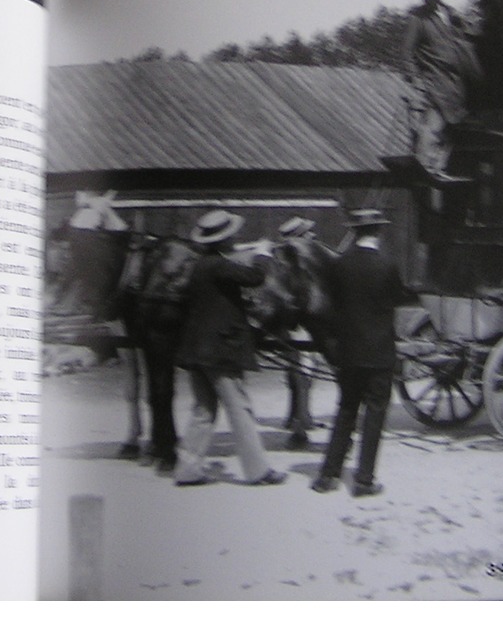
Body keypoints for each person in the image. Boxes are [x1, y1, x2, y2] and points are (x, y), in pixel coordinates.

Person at [172, 209, 287, 487]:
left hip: (196, 349)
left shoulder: (200, 265)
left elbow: (215, 302)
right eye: (231, 236)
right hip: (219, 350)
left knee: (204, 410)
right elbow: (255, 277)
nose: (235, 238)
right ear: (223, 240)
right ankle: (258, 470)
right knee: (239, 407)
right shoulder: (219, 265)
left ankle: (187, 469)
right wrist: (263, 254)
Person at [311, 208, 413, 497]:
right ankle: (364, 480)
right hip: (379, 352)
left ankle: (327, 476)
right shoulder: (387, 265)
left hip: (348, 352)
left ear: (355, 232)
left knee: (345, 411)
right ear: (379, 232)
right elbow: (396, 299)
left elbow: (333, 302)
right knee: (374, 415)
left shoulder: (339, 265)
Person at [403, 0, 481, 180]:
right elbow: (407, 50)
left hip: (457, 79)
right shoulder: (417, 18)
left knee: (453, 125)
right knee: (434, 123)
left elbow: (467, 33)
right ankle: (423, 166)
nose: (428, 0)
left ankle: (439, 166)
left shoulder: (450, 13)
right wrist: (414, 77)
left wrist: (465, 24)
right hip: (435, 77)